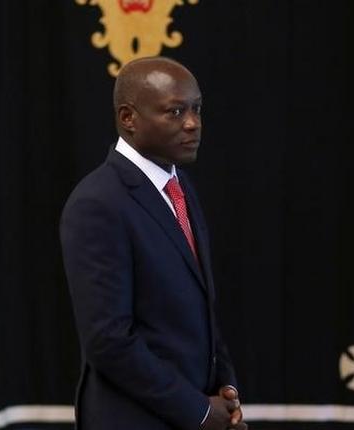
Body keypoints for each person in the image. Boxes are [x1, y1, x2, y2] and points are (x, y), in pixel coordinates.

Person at [60, 56, 246, 430]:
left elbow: (200, 308)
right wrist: (199, 411)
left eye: (196, 109)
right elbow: (109, 342)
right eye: (175, 112)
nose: (192, 123)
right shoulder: (98, 202)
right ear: (128, 118)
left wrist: (225, 390)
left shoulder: (179, 188)